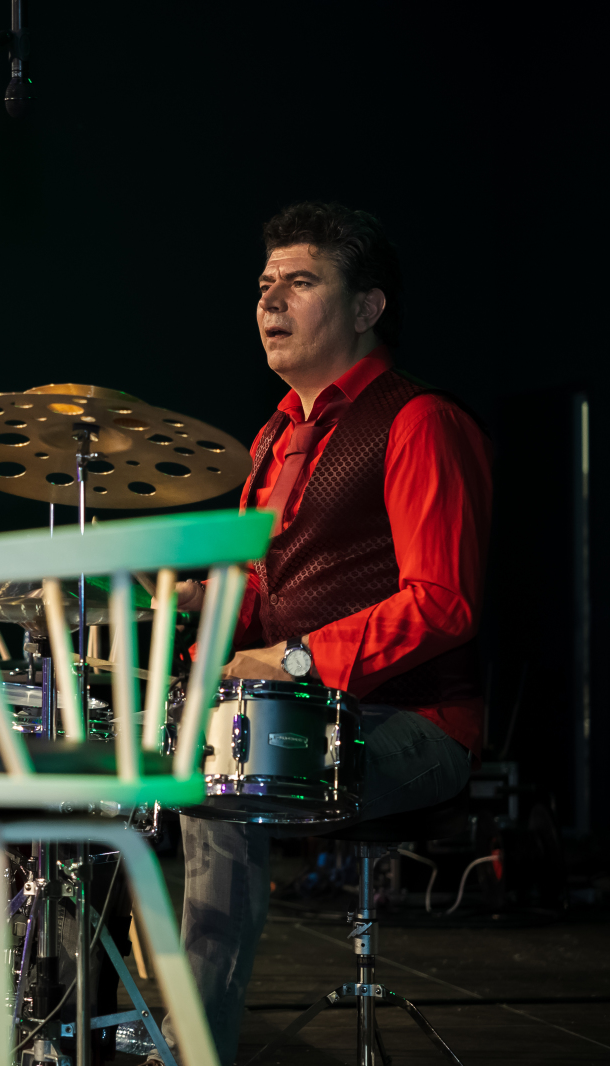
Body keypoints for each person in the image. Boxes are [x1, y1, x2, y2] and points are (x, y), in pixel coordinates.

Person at [156, 203, 490, 1064]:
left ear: (368, 306)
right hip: (303, 718)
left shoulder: (419, 420)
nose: (270, 300)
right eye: (265, 284)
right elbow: (264, 589)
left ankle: (194, 1051)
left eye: (300, 282)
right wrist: (191, 616)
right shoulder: (274, 436)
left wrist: (299, 660)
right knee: (131, 761)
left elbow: (442, 602)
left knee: (221, 789)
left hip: (417, 724)